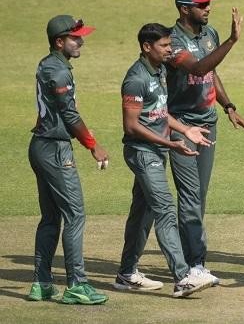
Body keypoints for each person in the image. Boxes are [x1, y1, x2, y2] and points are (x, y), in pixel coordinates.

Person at [165, 0, 244, 284]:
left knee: (199, 196)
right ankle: (194, 266)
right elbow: (199, 67)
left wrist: (229, 105)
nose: (208, 8)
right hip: (181, 127)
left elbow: (212, 72)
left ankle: (187, 259)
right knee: (190, 196)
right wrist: (232, 41)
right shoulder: (171, 43)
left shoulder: (210, 34)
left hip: (209, 122)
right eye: (202, 4)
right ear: (184, 9)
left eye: (209, 3)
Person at [115, 23, 215, 297]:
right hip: (144, 153)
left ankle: (126, 273)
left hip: (155, 150)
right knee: (166, 210)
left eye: (170, 45)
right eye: (164, 46)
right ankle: (183, 277)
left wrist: (184, 129)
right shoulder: (135, 79)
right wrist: (168, 142)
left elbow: (159, 112)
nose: (170, 50)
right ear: (147, 47)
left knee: (141, 214)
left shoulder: (158, 70)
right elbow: (131, 126)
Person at [27, 15, 109, 304]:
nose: (81, 42)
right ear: (59, 41)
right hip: (55, 150)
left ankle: (42, 283)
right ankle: (77, 284)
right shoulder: (59, 72)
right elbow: (69, 114)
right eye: (75, 38)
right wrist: (93, 145)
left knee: (51, 217)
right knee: (75, 215)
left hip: (40, 146)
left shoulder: (48, 63)